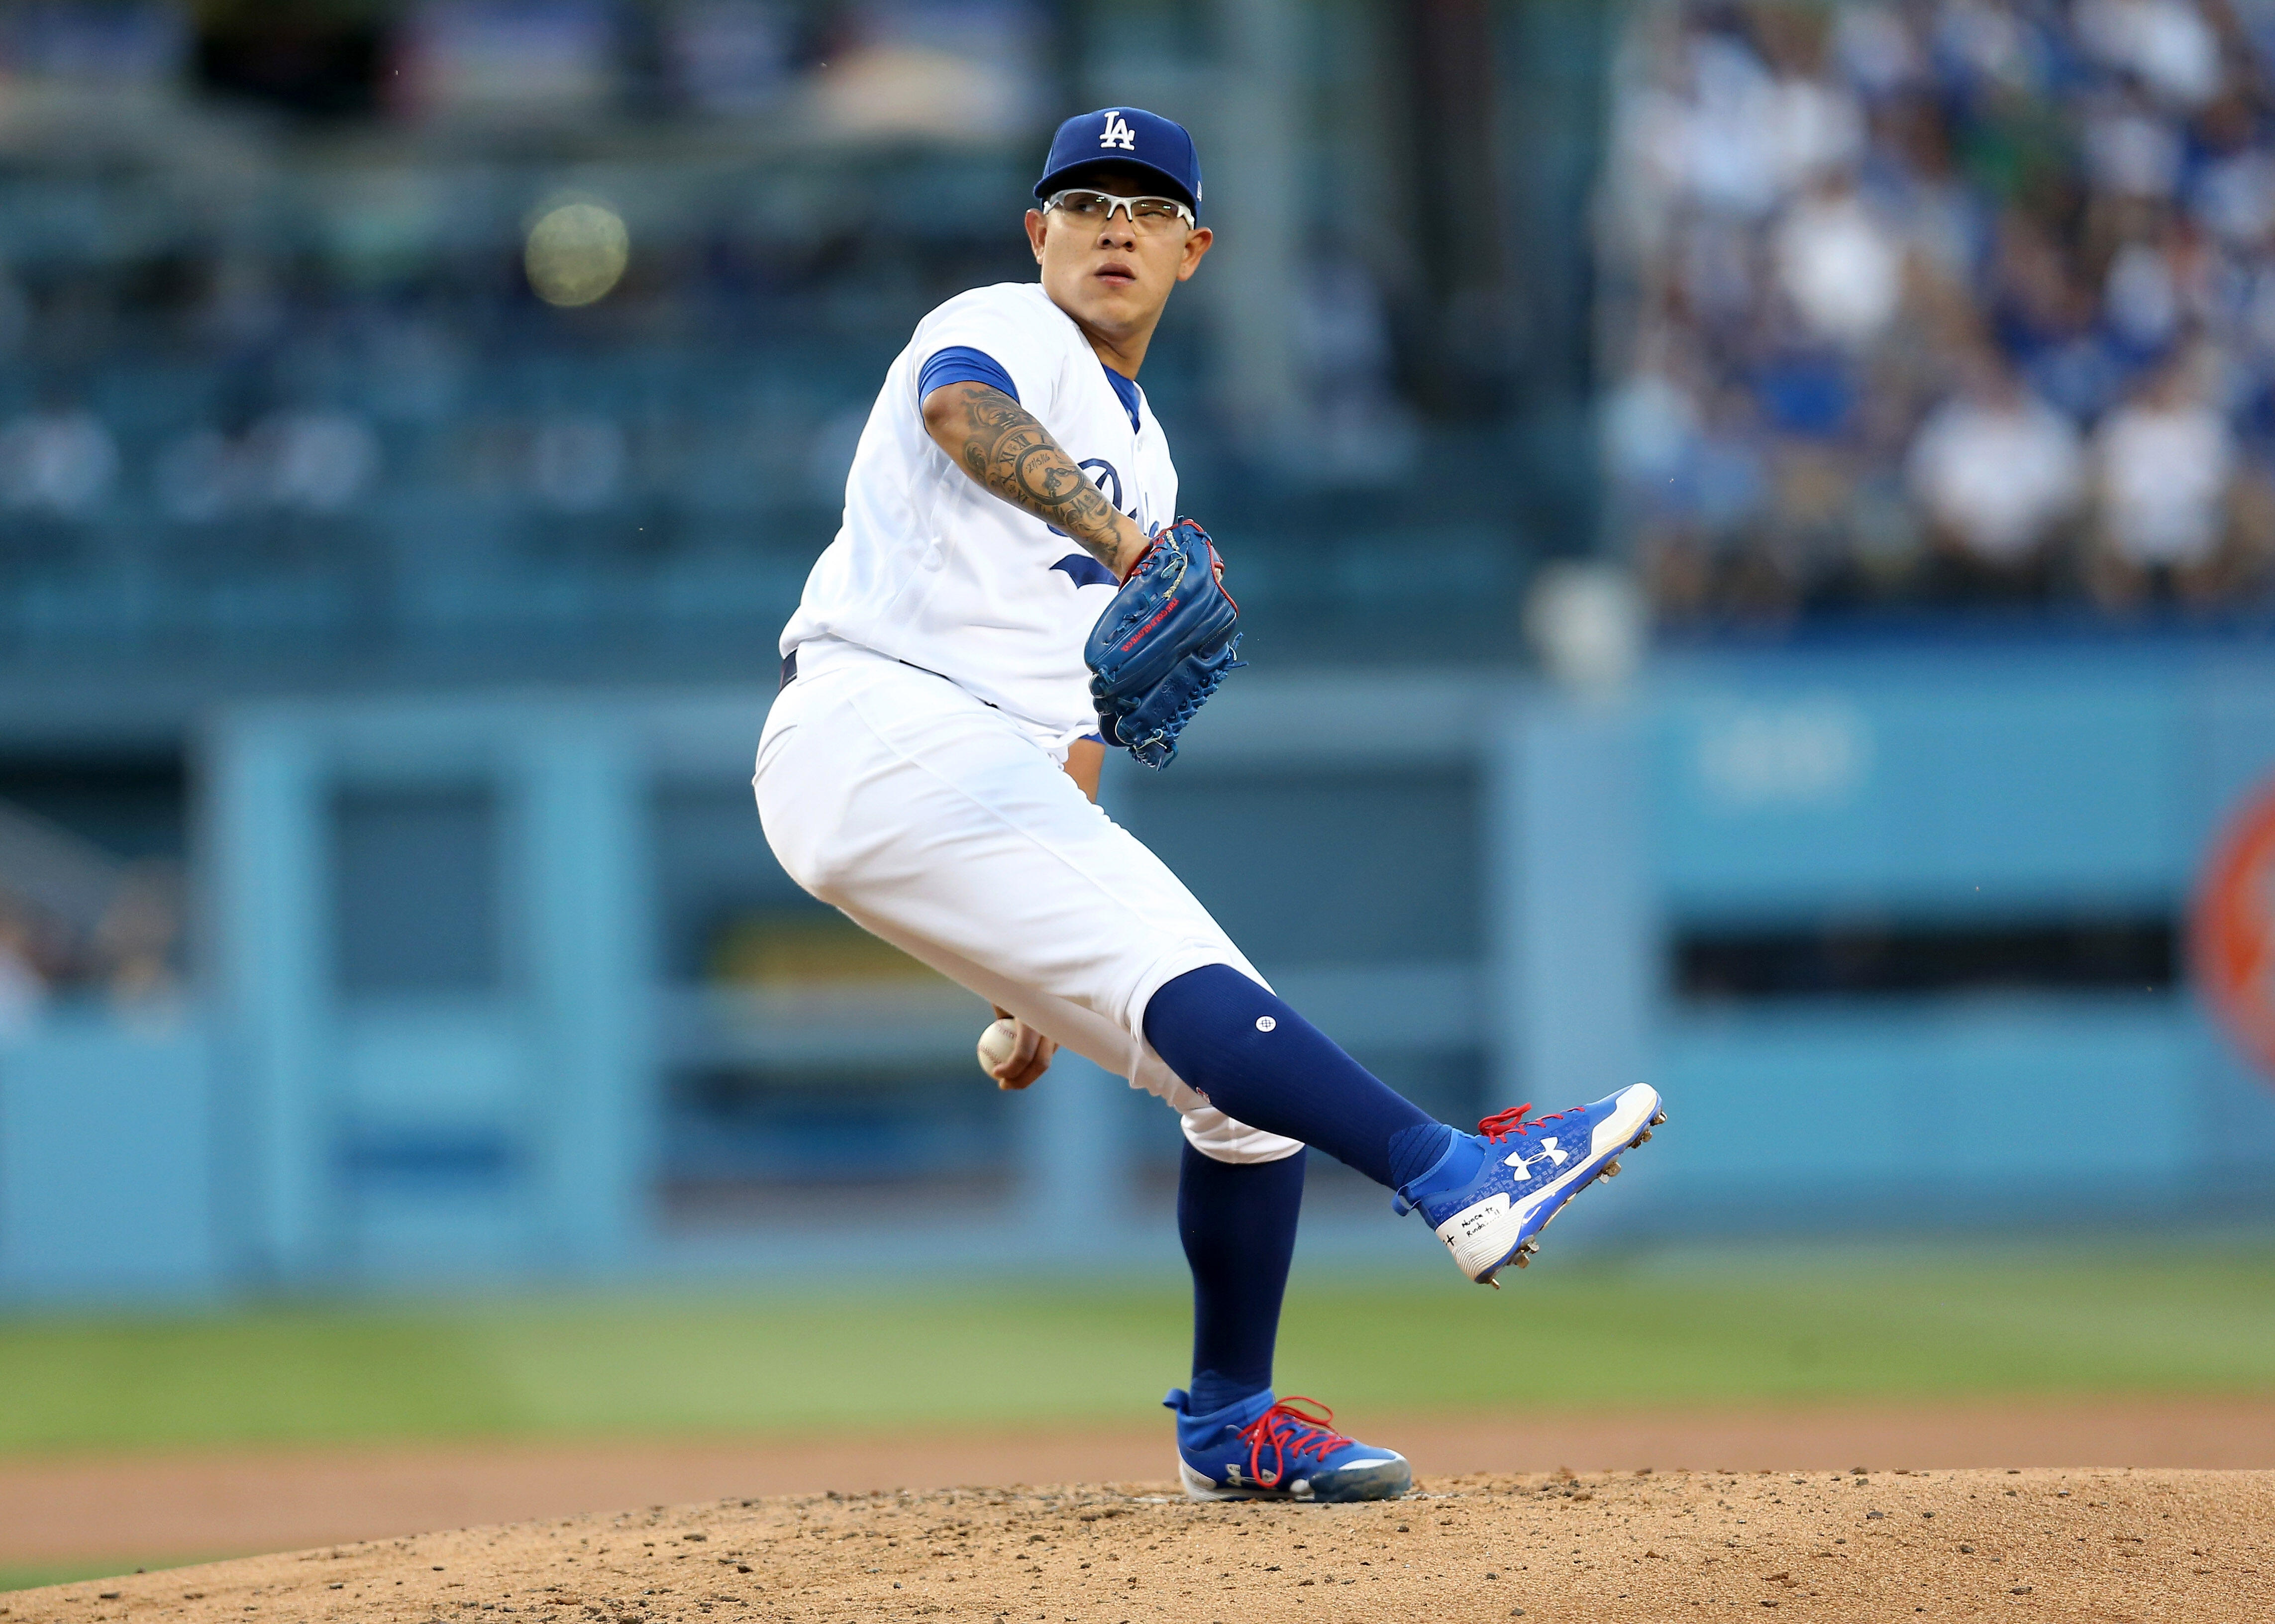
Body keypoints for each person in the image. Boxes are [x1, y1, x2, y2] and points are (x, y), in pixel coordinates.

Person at [753, 107, 1662, 1504]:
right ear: (1034, 232)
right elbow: (957, 410)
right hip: (876, 717)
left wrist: (1020, 996)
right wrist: (1128, 544)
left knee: (1238, 1085)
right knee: (1205, 989)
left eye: (1145, 205)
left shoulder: (1150, 450)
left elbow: (1072, 714)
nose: (1113, 222)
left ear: (1194, 249)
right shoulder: (1001, 325)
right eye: (1084, 199)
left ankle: (1229, 1423)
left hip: (960, 764)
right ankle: (1450, 1170)